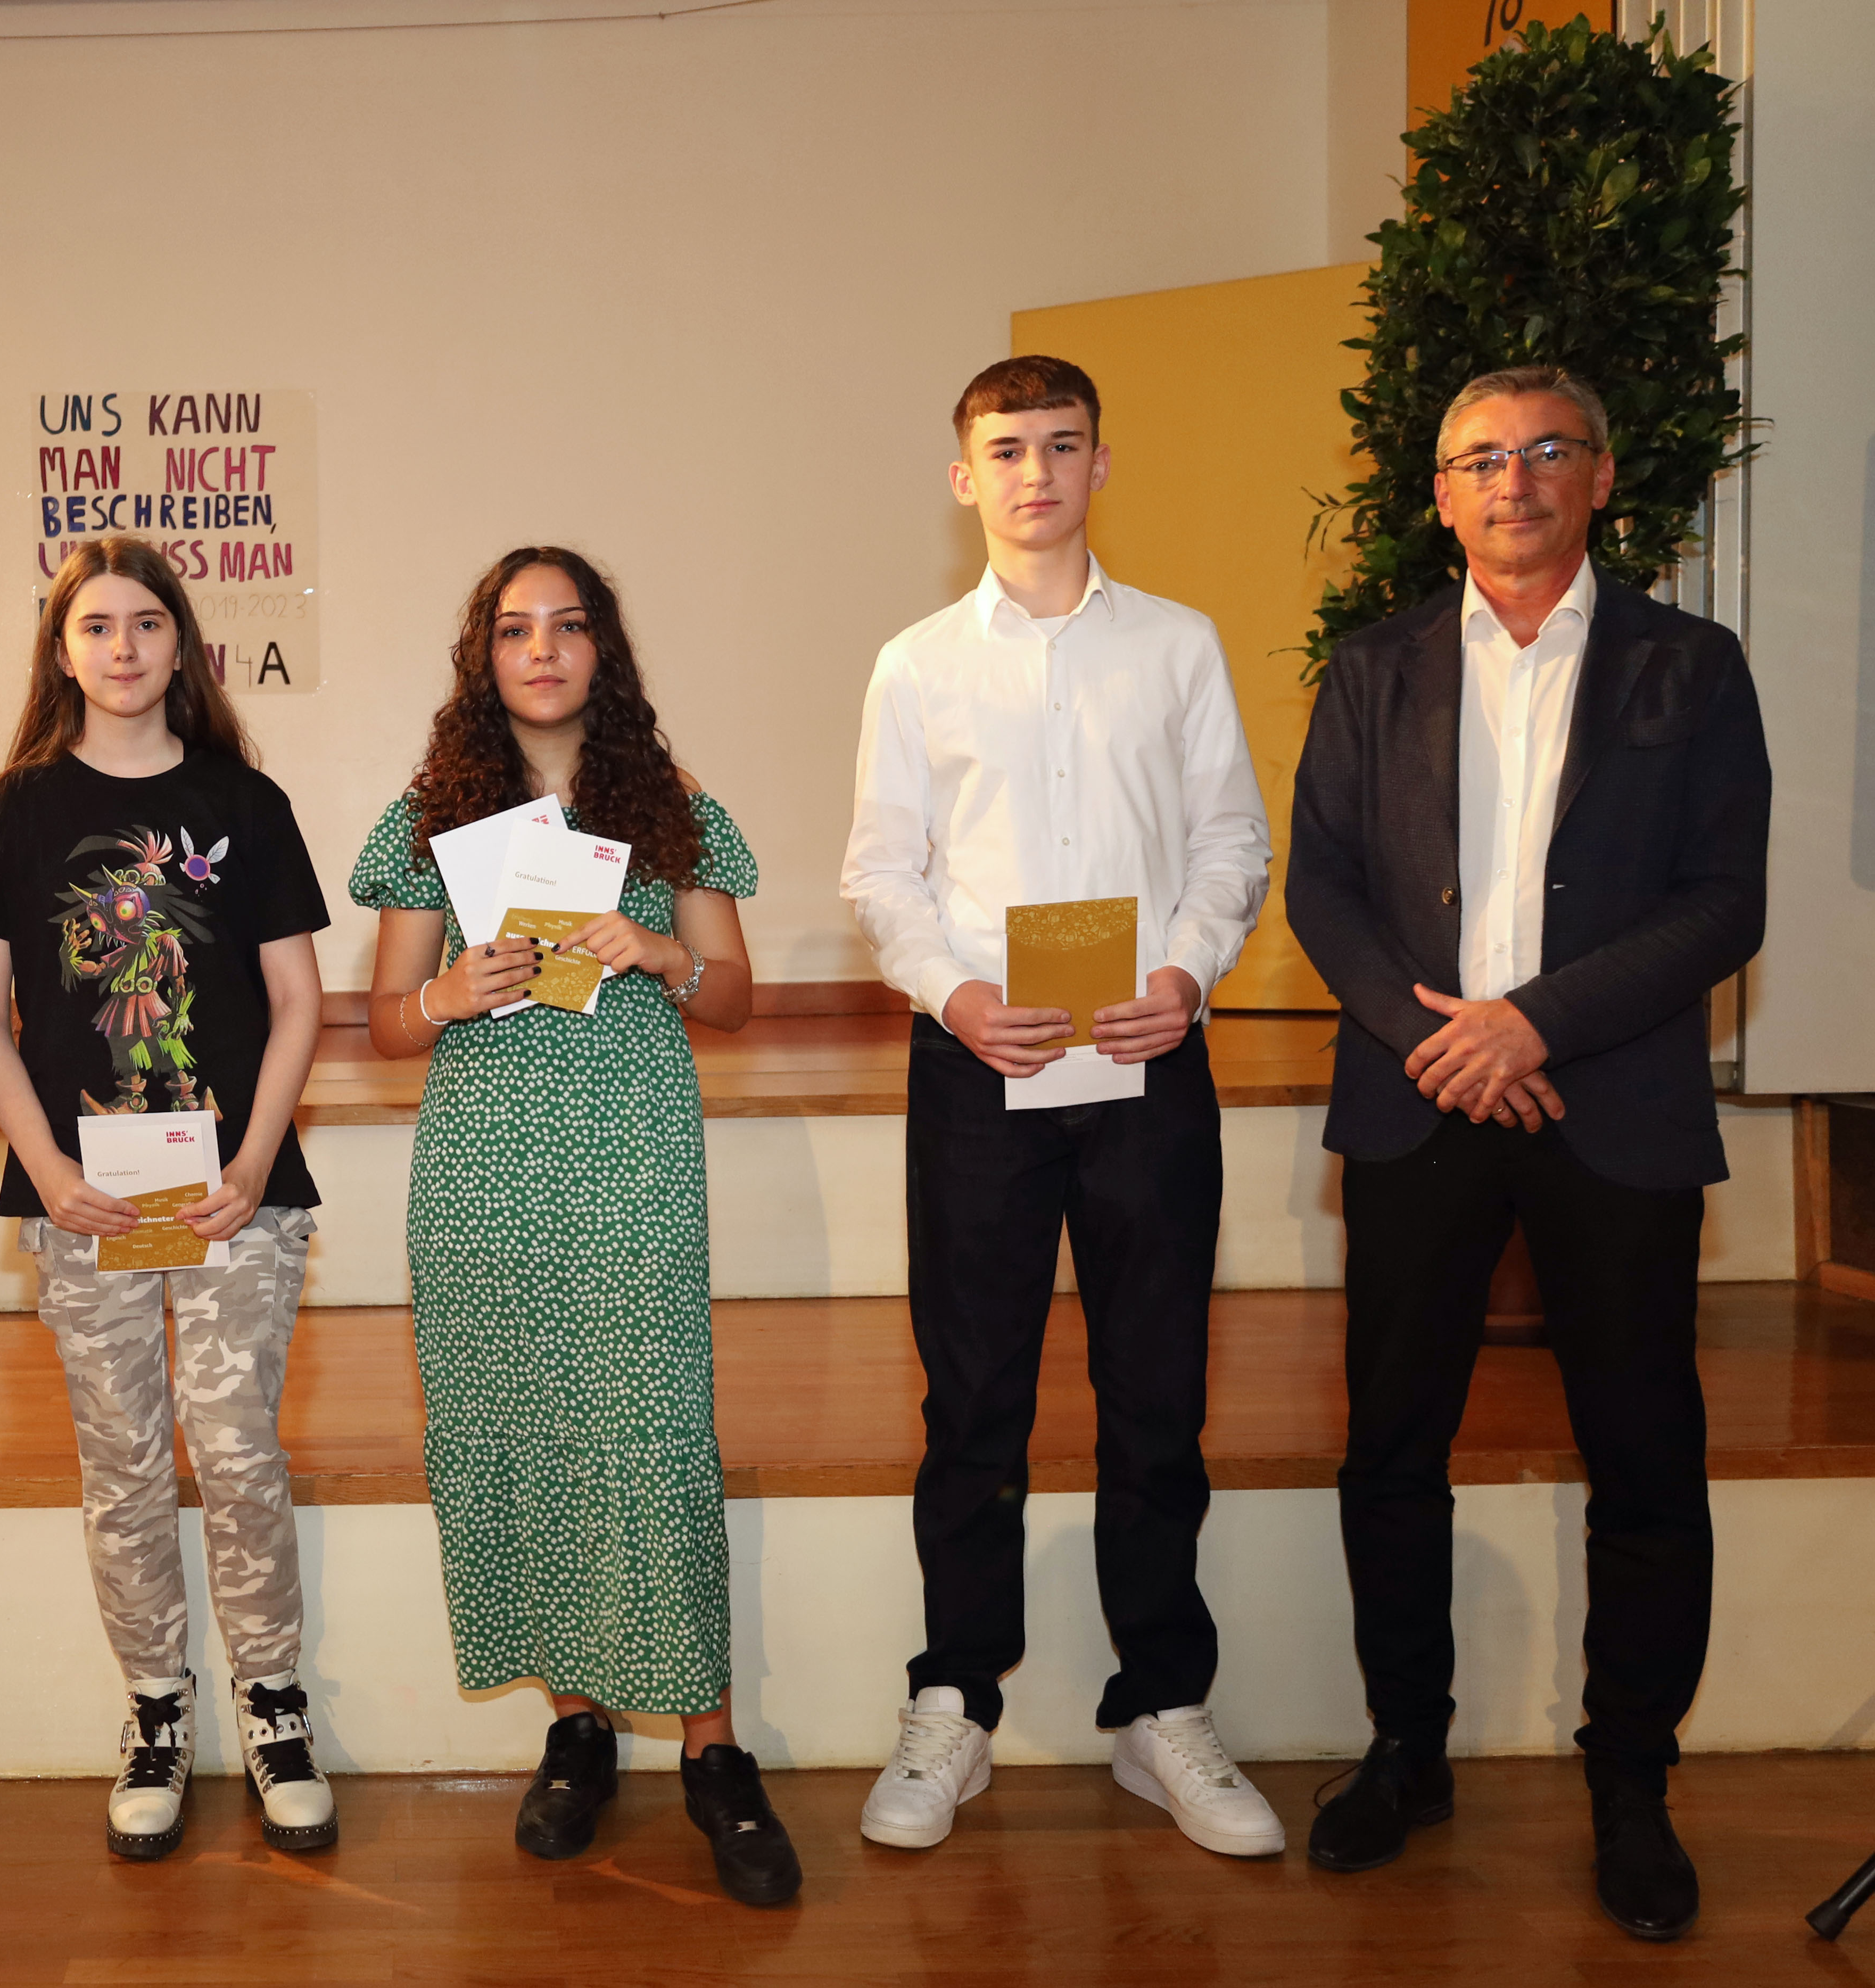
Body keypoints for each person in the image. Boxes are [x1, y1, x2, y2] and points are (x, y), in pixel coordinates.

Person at [1286, 367, 1769, 1941]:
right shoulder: (1371, 670)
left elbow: (1724, 903)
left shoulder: (1690, 669)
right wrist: (1447, 1039)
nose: (1515, 480)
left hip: (1605, 1104)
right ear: (1439, 495)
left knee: (1644, 1458)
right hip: (1421, 1101)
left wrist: (1532, 1027)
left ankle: (1631, 1782)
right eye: (1480, 459)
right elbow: (1326, 890)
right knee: (1392, 1450)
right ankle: (1407, 1751)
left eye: (1547, 451)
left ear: (1602, 478)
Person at [839, 357, 1282, 1860]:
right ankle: (955, 1702)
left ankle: (1162, 1710)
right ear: (964, 476)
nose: (1036, 472)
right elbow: (880, 871)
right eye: (1005, 449)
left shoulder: (1178, 647)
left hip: (1148, 1061)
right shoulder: (914, 664)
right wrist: (953, 995)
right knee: (973, 1405)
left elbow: (1232, 835)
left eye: (1063, 444)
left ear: (1104, 464)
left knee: (1157, 1397)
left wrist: (1191, 967)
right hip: (985, 1066)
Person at [351, 546, 796, 1908]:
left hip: (629, 1155)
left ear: (605, 648)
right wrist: (448, 993)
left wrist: (658, 951)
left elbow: (731, 997)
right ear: (481, 659)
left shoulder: (671, 807)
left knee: (650, 1435)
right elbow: (376, 1020)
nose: (540, 649)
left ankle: (715, 1751)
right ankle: (577, 1728)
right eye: (511, 629)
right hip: (485, 1168)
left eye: (567, 625)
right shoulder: (430, 815)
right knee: (515, 1429)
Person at [0, 536, 337, 1860]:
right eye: (95, 625)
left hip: (236, 1197)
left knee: (235, 1455)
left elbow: (298, 1002)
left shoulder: (247, 802)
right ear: (62, 650)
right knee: (121, 1464)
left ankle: (275, 1705)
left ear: (182, 645)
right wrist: (49, 1170)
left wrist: (246, 1165)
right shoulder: (8, 812)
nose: (121, 646)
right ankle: (156, 1710)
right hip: (85, 1200)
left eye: (146, 623)